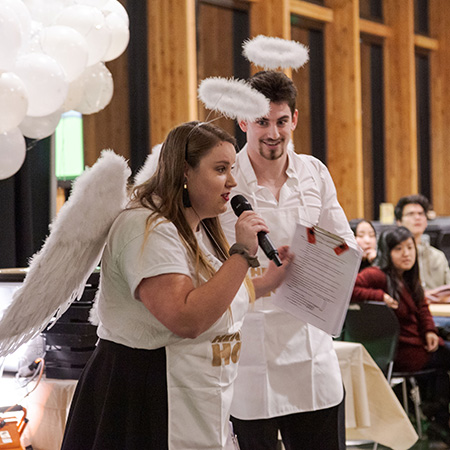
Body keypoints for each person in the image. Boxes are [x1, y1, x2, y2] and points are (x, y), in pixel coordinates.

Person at [60, 121, 293, 450]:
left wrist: (271, 280)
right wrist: (241, 254)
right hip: (145, 398)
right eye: (220, 169)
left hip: (196, 396)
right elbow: (185, 317)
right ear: (185, 171)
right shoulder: (147, 225)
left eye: (232, 169)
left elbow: (221, 298)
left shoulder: (200, 226)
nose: (232, 181)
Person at [220, 71, 356, 450]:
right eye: (263, 122)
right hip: (248, 347)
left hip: (310, 345)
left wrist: (319, 260)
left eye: (282, 121)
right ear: (244, 120)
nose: (273, 133)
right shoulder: (226, 180)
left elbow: (344, 243)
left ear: (294, 119)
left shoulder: (314, 171)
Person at [352, 226, 450, 444]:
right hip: (400, 351)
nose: (407, 254)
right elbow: (349, 289)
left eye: (409, 248)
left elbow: (422, 306)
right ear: (387, 252)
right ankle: (436, 420)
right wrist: (379, 295)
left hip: (415, 346)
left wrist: (430, 331)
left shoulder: (407, 276)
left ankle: (434, 419)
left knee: (442, 362)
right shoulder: (376, 275)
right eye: (399, 249)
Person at [395, 194, 450, 290]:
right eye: (411, 214)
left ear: (426, 221)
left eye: (421, 214)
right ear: (399, 221)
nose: (417, 218)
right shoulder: (394, 255)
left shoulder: (438, 256)